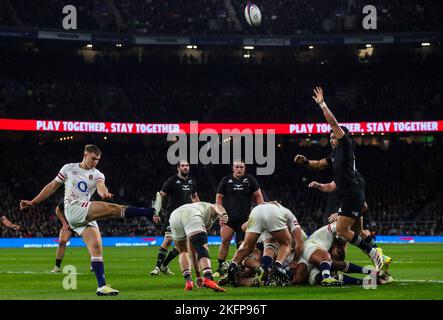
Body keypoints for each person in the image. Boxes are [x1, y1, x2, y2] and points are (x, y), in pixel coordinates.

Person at [20, 144, 160, 296]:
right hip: (73, 208)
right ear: (85, 154)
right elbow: (52, 187)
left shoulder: (98, 174)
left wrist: (104, 192)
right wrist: (33, 202)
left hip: (85, 213)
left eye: (98, 160)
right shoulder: (69, 168)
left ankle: (102, 286)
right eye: (93, 158)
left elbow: (101, 187)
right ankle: (149, 211)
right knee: (112, 209)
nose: (95, 162)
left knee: (96, 249)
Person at [295, 86, 387, 271]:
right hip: (351, 194)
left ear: (340, 136)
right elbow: (320, 164)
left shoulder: (345, 145)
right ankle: (380, 257)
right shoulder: (335, 155)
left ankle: (374, 254)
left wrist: (322, 105)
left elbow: (334, 124)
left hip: (351, 194)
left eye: (332, 136)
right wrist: (305, 162)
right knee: (359, 231)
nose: (330, 138)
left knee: (343, 231)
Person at [226, 202, 300, 286]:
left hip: (256, 211)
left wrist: (256, 229)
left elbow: (243, 227)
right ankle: (277, 267)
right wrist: (295, 261)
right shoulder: (288, 214)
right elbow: (299, 241)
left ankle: (233, 266)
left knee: (247, 248)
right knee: (286, 244)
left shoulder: (265, 210)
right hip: (273, 216)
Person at [214, 160, 264, 277]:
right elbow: (219, 198)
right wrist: (221, 214)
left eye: (241, 167)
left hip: (245, 219)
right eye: (237, 167)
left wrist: (260, 211)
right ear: (233, 168)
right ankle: (220, 267)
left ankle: (238, 267)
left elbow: (258, 196)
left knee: (242, 244)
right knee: (225, 241)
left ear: (244, 168)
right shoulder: (226, 180)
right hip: (229, 218)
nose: (239, 169)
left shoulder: (250, 179)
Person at [150, 160, 199, 276]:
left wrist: (199, 210)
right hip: (173, 216)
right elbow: (161, 195)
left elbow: (194, 196)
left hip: (187, 217)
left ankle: (164, 265)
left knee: (182, 246)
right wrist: (156, 212)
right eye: (183, 166)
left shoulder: (192, 181)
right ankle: (157, 267)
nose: (185, 167)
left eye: (187, 166)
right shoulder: (172, 181)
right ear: (178, 168)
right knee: (168, 240)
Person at [169, 201, 228, 292]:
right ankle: (208, 277)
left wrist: (198, 276)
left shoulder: (200, 208)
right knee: (202, 246)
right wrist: (223, 214)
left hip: (174, 215)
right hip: (191, 213)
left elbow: (192, 252)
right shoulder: (208, 209)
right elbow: (216, 206)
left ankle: (188, 281)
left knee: (183, 251)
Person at [50, 199, 75, 273]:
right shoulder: (67, 199)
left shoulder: (87, 198)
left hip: (83, 223)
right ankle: (57, 266)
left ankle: (93, 264)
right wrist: (64, 223)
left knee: (91, 243)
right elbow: (57, 210)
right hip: (70, 224)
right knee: (62, 241)